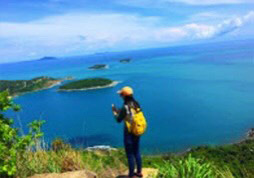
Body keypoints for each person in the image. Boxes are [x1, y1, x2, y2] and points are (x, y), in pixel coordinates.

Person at [112, 86, 143, 178]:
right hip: (137, 130)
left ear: (124, 95)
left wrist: (115, 113)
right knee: (136, 151)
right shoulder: (136, 103)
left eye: (121, 94)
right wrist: (120, 111)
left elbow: (118, 120)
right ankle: (139, 172)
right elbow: (130, 114)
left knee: (130, 154)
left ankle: (131, 175)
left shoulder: (126, 106)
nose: (120, 96)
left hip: (129, 133)